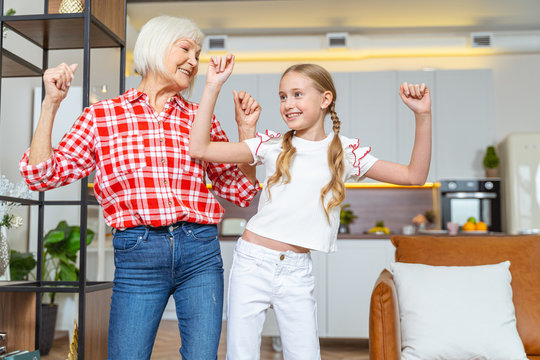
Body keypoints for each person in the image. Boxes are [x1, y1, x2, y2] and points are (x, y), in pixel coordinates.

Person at [19, 17, 261, 360]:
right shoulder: (102, 117)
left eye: (198, 54)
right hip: (139, 254)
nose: (194, 61)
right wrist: (51, 105)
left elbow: (241, 191)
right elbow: (40, 176)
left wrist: (247, 134)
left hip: (200, 252)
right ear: (156, 46)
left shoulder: (199, 117)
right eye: (185, 49)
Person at [189, 54, 432, 359]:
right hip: (252, 262)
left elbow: (414, 175)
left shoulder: (346, 151)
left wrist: (422, 115)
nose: (288, 104)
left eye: (297, 94)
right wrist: (213, 85)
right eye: (282, 96)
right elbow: (200, 148)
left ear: (325, 99)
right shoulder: (271, 145)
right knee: (241, 355)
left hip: (296, 271)